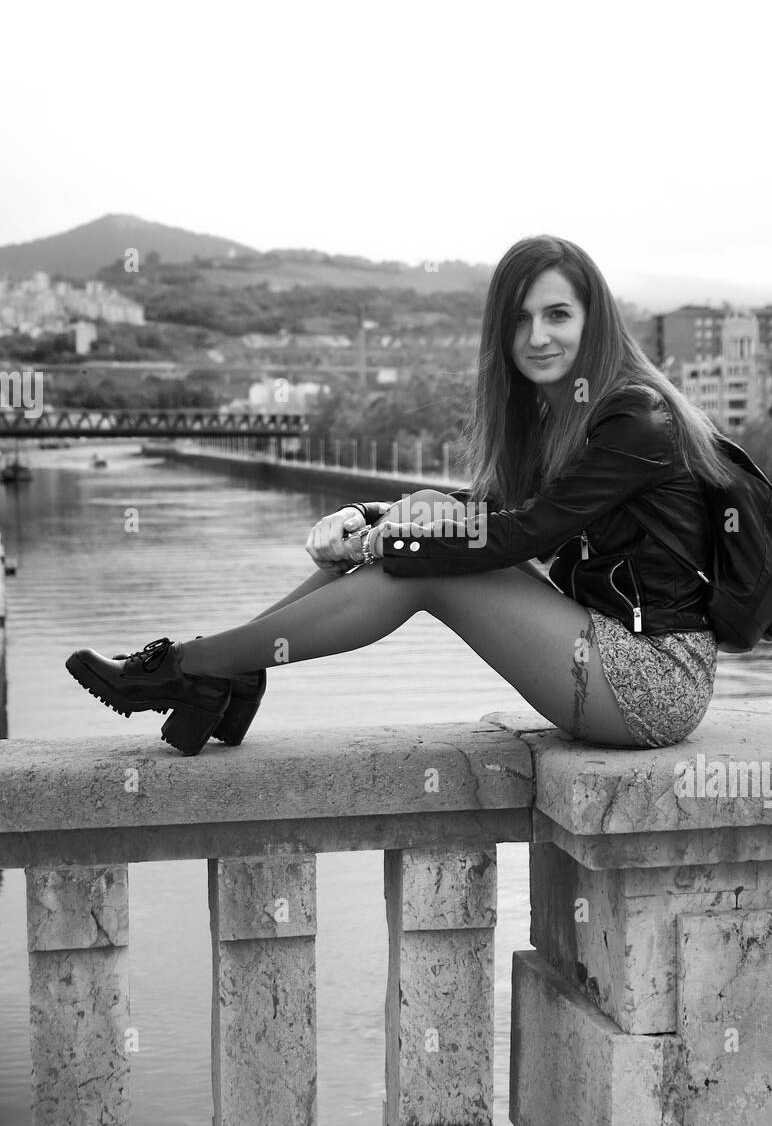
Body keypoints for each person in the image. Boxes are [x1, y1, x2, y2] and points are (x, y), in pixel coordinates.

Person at [66, 235, 732, 756]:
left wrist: (404, 537)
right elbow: (491, 512)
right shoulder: (556, 419)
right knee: (419, 536)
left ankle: (202, 666)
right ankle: (229, 664)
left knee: (423, 566)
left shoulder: (635, 419)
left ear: (595, 321)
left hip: (654, 677)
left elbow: (523, 535)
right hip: (604, 644)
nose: (538, 336)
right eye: (520, 319)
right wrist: (374, 519)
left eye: (558, 314)